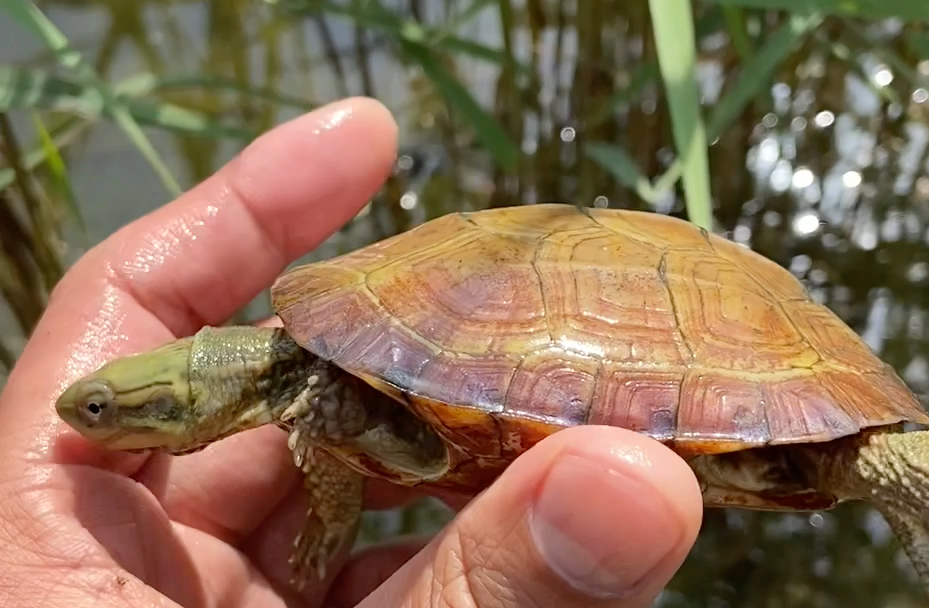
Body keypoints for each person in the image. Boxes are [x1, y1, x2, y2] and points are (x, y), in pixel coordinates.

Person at [0, 98, 703, 608]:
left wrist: (332, 508)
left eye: (101, 409)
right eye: (98, 406)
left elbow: (333, 426)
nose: (82, 420)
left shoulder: (314, 398)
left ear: (180, 407)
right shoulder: (312, 391)